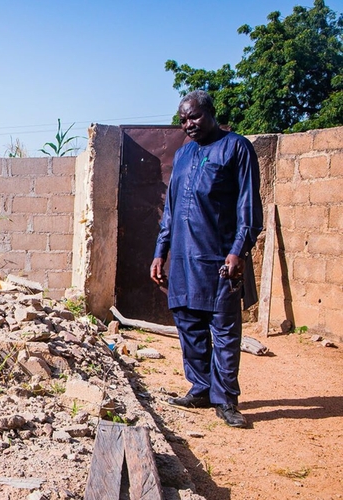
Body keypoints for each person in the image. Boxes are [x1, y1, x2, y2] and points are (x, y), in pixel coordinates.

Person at [150, 90, 263, 428]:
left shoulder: (236, 148)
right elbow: (170, 211)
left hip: (219, 259)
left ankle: (225, 399)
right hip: (183, 261)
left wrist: (238, 250)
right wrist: (160, 252)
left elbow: (248, 206)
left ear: (212, 113)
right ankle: (200, 388)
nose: (189, 124)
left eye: (195, 117)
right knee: (189, 326)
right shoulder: (183, 155)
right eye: (183, 120)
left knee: (225, 332)